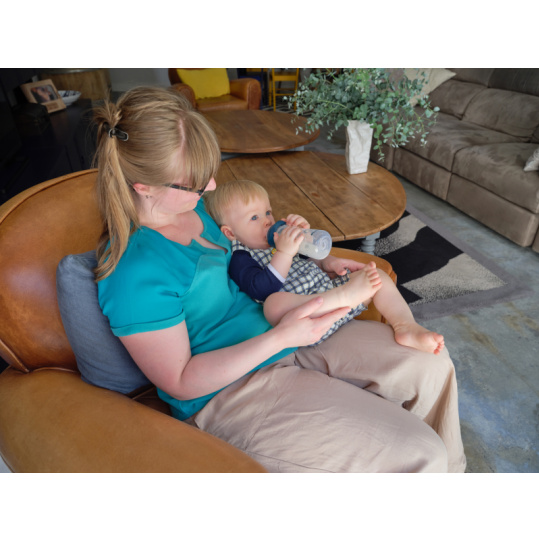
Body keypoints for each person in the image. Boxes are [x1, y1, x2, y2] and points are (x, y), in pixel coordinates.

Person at [93, 86, 466, 473]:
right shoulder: (133, 271)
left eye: (209, 173)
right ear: (144, 187)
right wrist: (282, 337)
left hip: (283, 331)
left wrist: (322, 261)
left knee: (432, 366)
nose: (212, 187)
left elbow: (250, 255)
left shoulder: (195, 210)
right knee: (422, 453)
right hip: (232, 389)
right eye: (196, 181)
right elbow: (181, 381)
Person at [205, 179, 445, 353]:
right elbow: (262, 289)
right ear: (230, 233)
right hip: (304, 319)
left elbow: (310, 258)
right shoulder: (241, 256)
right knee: (273, 305)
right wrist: (285, 252)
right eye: (254, 217)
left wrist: (319, 253)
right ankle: (347, 296)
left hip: (330, 298)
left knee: (376, 275)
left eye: (267, 212)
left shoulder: (276, 241)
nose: (268, 221)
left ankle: (405, 326)